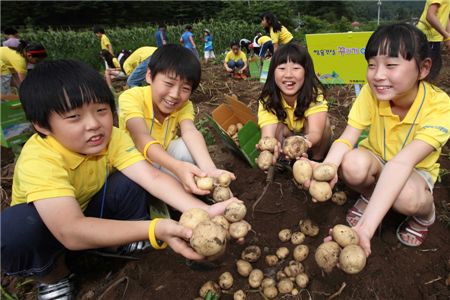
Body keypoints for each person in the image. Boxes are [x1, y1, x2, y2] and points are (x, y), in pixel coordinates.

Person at [0, 59, 241, 299]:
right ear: (42, 125)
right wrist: (155, 228)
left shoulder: (112, 138)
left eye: (101, 110)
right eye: (74, 117)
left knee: (132, 179)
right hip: (52, 232)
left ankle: (119, 242)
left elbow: (153, 178)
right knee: (16, 228)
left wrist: (204, 211)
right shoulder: (39, 159)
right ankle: (53, 278)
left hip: (91, 212)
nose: (94, 125)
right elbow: (70, 231)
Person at [304, 23, 449, 257]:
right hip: (377, 159)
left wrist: (365, 228)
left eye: (391, 65)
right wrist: (328, 167)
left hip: (413, 172)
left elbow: (402, 164)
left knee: (408, 198)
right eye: (372, 65)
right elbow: (348, 137)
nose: (378, 75)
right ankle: (372, 194)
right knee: (350, 164)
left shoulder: (440, 106)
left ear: (423, 69)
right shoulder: (371, 94)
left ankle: (425, 216)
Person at [119, 44, 236, 196]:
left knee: (186, 147)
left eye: (185, 88)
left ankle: (177, 194)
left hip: (163, 159)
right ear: (149, 76)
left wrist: (209, 169)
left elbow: (190, 132)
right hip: (135, 165)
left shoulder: (184, 105)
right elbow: (141, 137)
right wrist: (176, 166)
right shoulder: (131, 97)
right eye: (168, 83)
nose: (175, 94)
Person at [257, 43, 331, 164]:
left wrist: (298, 144)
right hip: (287, 134)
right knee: (277, 129)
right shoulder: (268, 99)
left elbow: (315, 133)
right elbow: (268, 135)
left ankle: (317, 159)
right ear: (272, 73)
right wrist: (267, 149)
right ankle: (282, 161)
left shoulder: (314, 95)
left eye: (296, 68)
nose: (288, 75)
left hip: (308, 137)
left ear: (306, 72)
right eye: (281, 69)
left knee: (325, 125)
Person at [416, 0, 450, 80]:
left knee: (434, 69)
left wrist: (447, 36)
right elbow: (430, 16)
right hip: (428, 38)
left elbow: (445, 16)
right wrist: (446, 35)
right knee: (427, 72)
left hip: (434, 39)